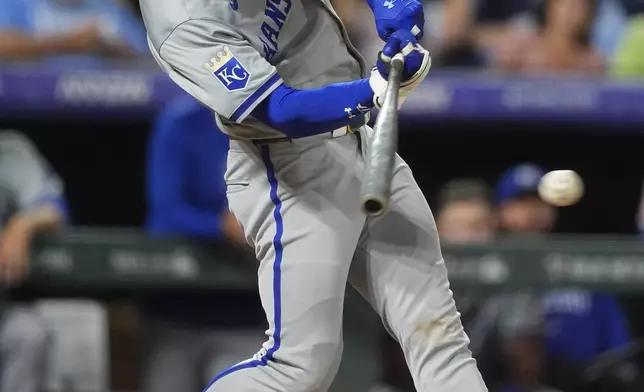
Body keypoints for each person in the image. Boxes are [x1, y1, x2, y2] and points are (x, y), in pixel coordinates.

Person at [140, 0, 487, 391]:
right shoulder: (181, 20)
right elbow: (278, 110)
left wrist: (388, 5)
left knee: (438, 336)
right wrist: (371, 90)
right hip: (286, 166)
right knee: (299, 367)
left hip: (357, 139)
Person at [143, 94, 265, 392]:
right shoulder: (182, 121)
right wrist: (221, 227)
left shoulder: (274, 121)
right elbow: (164, 217)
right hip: (177, 317)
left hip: (252, 317)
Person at [495, 163, 632, 392]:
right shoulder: (486, 269)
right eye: (520, 202)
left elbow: (618, 350)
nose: (531, 210)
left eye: (538, 202)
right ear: (499, 210)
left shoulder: (580, 266)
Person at [0, 130, 69, 392]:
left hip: (2, 313)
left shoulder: (9, 152)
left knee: (28, 334)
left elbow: (54, 209)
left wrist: (22, 224)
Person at [0, 0, 147, 65]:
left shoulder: (109, 7)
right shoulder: (18, 3)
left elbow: (148, 59)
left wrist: (112, 49)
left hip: (106, 110)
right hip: (28, 108)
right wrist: (69, 44)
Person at [496, 0, 605, 74]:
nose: (570, 13)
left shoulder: (592, 62)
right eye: (563, 4)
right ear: (549, 7)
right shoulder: (519, 51)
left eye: (577, 6)